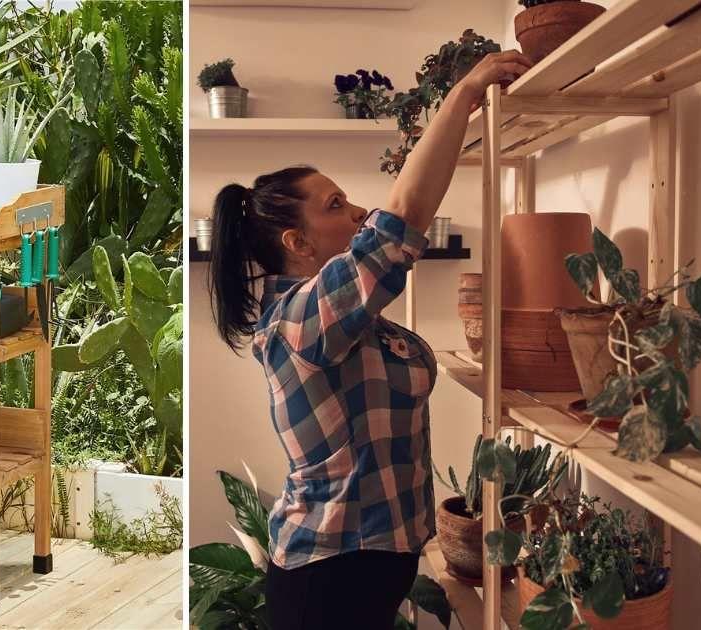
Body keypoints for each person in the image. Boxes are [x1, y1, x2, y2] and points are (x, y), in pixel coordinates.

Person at [207, 50, 534, 629]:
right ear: (297, 242)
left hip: (369, 569)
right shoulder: (298, 320)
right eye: (335, 205)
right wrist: (464, 93)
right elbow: (401, 216)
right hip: (329, 579)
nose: (358, 211)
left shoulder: (344, 317)